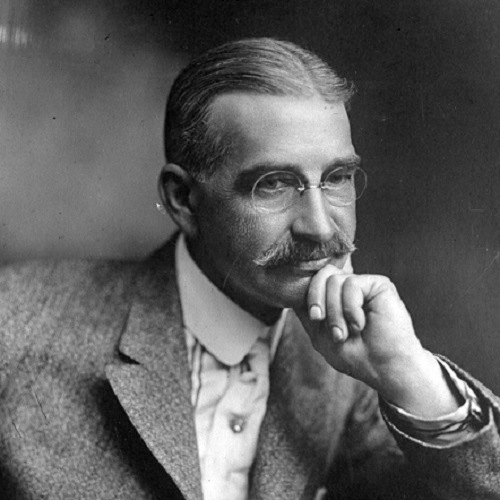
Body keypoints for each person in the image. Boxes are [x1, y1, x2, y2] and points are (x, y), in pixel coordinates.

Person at [0, 38, 499, 500]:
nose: (320, 227)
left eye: (337, 178)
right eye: (274, 184)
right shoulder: (15, 324)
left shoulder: (353, 366)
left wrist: (409, 374)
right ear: (183, 200)